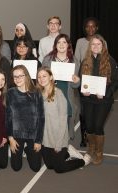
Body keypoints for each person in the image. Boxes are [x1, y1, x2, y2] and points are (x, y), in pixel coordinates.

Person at [36, 67, 91, 173]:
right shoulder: (39, 94)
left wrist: (59, 143)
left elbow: (62, 121)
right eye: (39, 77)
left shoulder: (58, 94)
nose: (41, 79)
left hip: (58, 137)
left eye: (44, 76)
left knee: (59, 168)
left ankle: (83, 161)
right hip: (45, 138)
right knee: (50, 165)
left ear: (51, 77)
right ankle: (68, 152)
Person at [80, 34, 118, 165]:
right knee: (89, 126)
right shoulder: (85, 61)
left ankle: (99, 152)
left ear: (103, 46)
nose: (95, 46)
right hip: (88, 100)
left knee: (98, 126)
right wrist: (83, 90)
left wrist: (106, 93)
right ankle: (91, 148)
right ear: (90, 47)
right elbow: (82, 80)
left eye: (98, 44)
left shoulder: (110, 61)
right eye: (93, 44)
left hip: (104, 100)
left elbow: (115, 82)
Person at [6, 65, 44, 172]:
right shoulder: (10, 93)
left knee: (36, 167)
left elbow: (41, 118)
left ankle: (27, 149)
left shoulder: (36, 92)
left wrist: (38, 140)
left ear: (26, 76)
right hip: (17, 133)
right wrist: (11, 139)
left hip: (33, 134)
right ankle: (20, 148)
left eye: (20, 76)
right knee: (16, 167)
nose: (17, 79)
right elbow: (8, 118)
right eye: (15, 77)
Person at [42, 34, 81, 140]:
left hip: (67, 98)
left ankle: (62, 151)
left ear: (68, 45)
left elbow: (75, 85)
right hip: (51, 96)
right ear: (55, 45)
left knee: (65, 130)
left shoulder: (74, 61)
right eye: (59, 42)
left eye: (64, 42)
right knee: (50, 128)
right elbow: (41, 78)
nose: (61, 45)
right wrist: (48, 80)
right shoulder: (48, 59)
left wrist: (77, 81)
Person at [74, 17, 102, 147]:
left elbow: (104, 62)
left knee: (96, 111)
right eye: (87, 26)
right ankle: (84, 137)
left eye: (93, 26)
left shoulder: (102, 41)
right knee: (84, 111)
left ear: (96, 28)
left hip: (97, 82)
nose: (90, 29)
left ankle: (95, 136)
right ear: (84, 28)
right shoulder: (80, 42)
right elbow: (77, 62)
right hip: (84, 81)